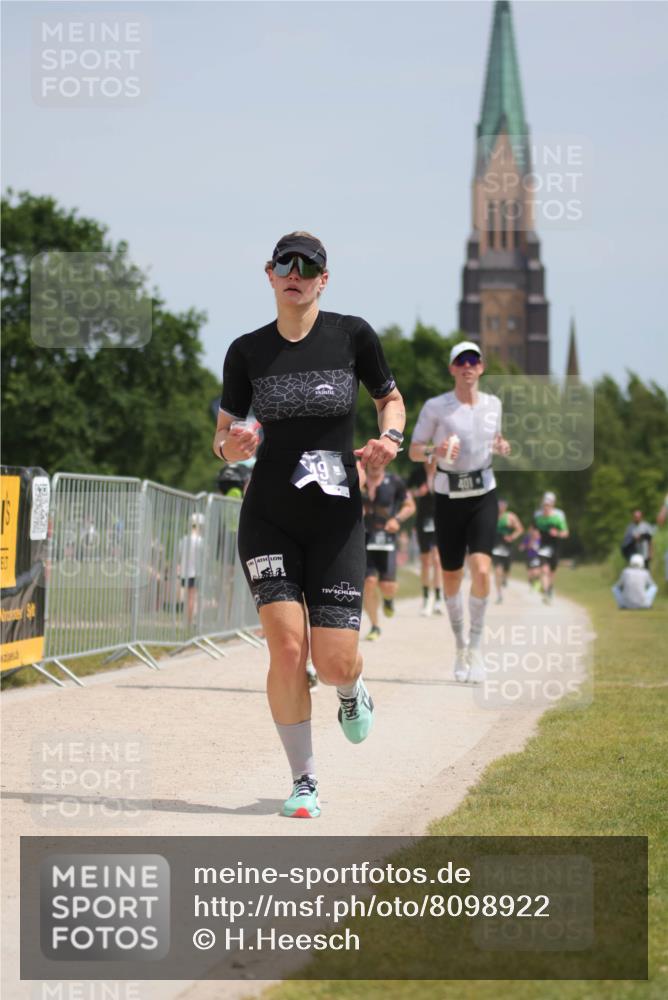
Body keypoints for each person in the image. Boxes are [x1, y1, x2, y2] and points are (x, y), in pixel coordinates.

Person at [212, 231, 405, 819]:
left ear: (325, 278)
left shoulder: (352, 335)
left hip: (337, 517)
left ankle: (350, 688)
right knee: (288, 647)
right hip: (268, 514)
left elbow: (389, 400)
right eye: (285, 264)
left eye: (309, 265)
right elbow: (222, 440)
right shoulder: (246, 351)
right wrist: (233, 445)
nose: (296, 272)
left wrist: (390, 440)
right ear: (268, 274)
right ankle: (304, 782)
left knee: (335, 658)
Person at [409, 340, 510, 683]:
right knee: (451, 575)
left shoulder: (494, 404)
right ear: (452, 368)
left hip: (483, 493)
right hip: (448, 495)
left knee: (482, 570)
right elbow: (413, 451)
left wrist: (502, 445)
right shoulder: (437, 407)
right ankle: (460, 645)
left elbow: (495, 439)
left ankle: (477, 649)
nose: (468, 366)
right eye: (461, 361)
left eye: (474, 360)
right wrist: (434, 451)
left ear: (481, 367)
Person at [361, 463, 415, 640]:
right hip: (363, 539)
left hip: (386, 540)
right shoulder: (358, 480)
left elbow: (410, 505)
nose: (376, 463)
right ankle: (375, 626)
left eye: (380, 458)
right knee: (368, 582)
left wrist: (397, 519)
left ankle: (389, 600)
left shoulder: (395, 482)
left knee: (388, 586)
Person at [407, 461, 444, 616]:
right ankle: (426, 597)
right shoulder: (417, 473)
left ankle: (438, 598)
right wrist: (417, 493)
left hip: (440, 519)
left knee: (437, 559)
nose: (430, 460)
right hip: (423, 520)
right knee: (425, 560)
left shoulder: (443, 471)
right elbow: (405, 491)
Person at [533, 491, 569, 603]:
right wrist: (534, 537)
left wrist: (557, 533)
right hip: (543, 546)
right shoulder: (538, 516)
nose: (546, 507)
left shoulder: (558, 516)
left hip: (555, 546)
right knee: (544, 569)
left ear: (553, 503)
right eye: (544, 505)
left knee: (552, 572)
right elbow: (533, 529)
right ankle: (546, 591)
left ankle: (550, 587)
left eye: (549, 504)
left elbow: (566, 533)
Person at [491, 499, 523, 603]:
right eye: (499, 505)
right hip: (495, 546)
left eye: (502, 505)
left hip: (507, 546)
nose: (500, 507)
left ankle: (505, 578)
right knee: (497, 570)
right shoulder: (492, 515)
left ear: (506, 506)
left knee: (506, 569)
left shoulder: (510, 516)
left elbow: (520, 529)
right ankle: (499, 594)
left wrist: (512, 537)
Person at [177, 512, 205, 626]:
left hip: (185, 572)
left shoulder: (183, 539)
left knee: (187, 597)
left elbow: (180, 555)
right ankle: (189, 621)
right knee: (192, 598)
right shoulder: (200, 540)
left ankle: (187, 620)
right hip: (195, 572)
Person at [519, 524, 542, 591]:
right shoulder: (528, 538)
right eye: (530, 530)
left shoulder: (540, 538)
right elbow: (522, 546)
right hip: (529, 556)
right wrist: (524, 546)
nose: (531, 531)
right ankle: (532, 585)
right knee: (529, 574)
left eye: (533, 530)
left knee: (536, 572)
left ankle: (537, 584)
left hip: (537, 557)